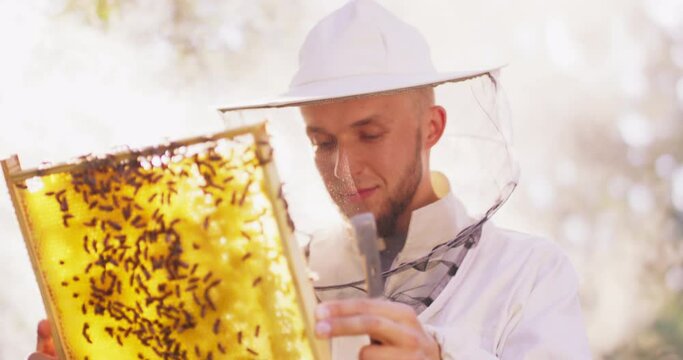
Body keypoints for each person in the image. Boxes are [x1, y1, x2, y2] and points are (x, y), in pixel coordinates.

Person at [29, 0, 591, 359]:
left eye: (369, 134)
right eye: (322, 142)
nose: (342, 170)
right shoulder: (270, 281)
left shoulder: (528, 274)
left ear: (432, 128)